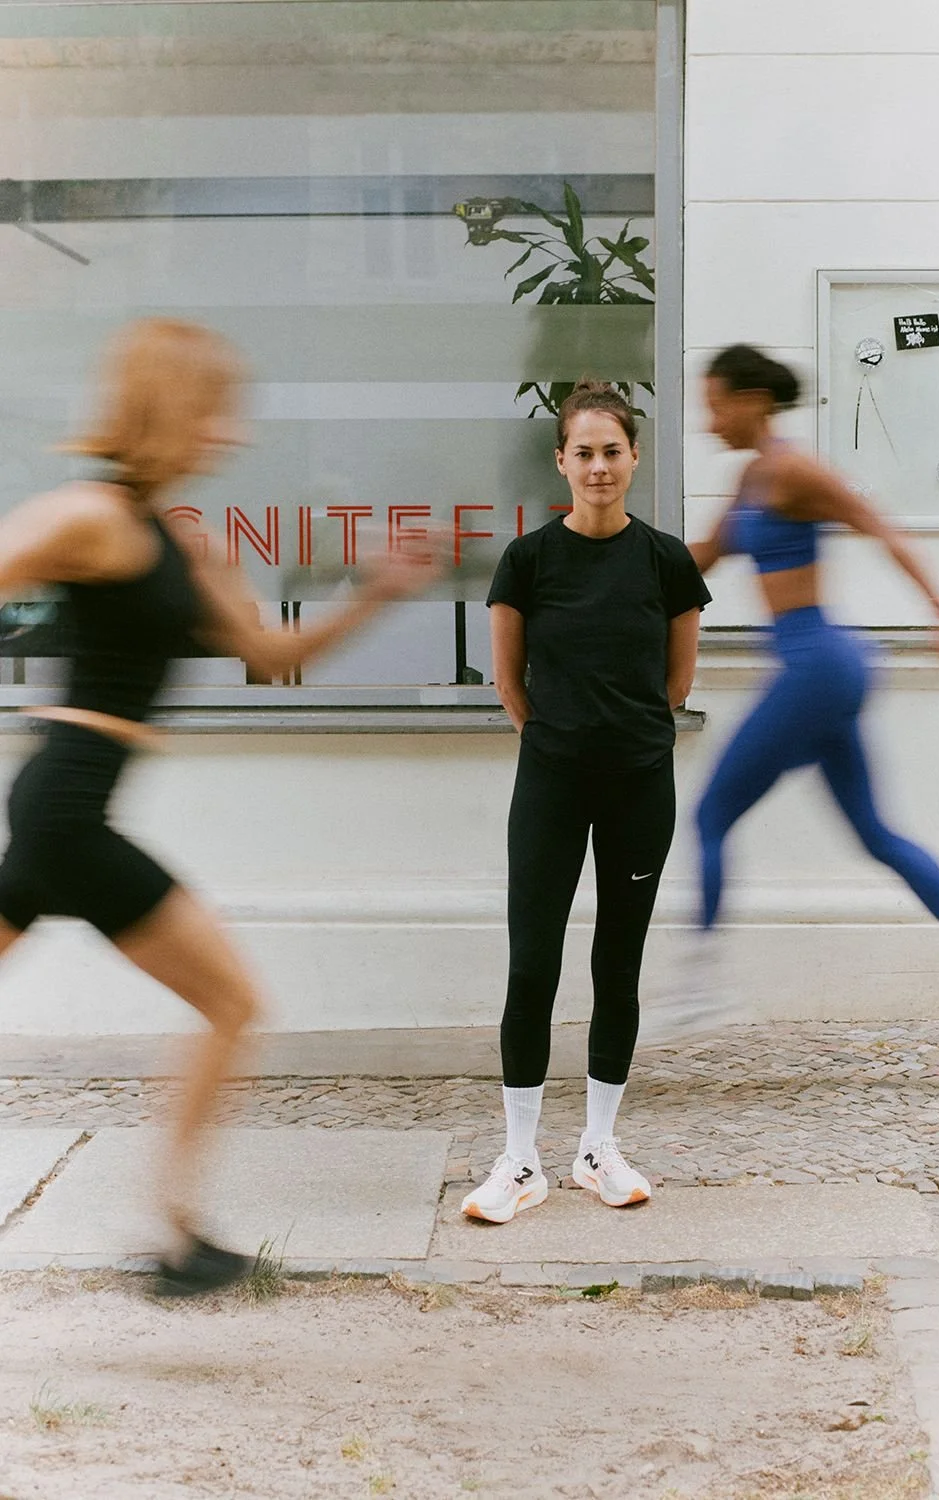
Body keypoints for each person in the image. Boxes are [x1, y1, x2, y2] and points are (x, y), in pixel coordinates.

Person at [0, 318, 438, 1294]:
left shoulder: (181, 546)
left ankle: (177, 1229)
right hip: (67, 809)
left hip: (61, 808)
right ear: (169, 407)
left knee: (230, 1004)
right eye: (215, 411)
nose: (229, 435)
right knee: (233, 1002)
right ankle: (177, 1233)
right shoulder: (90, 515)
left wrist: (376, 593)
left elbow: (270, 659)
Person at [650, 344, 939, 1053]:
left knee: (710, 814)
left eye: (714, 405)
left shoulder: (796, 471)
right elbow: (694, 561)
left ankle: (698, 984)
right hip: (823, 669)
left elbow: (883, 528)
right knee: (874, 834)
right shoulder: (750, 482)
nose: (709, 423)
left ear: (752, 400)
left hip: (817, 665)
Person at [460, 380, 712, 1223]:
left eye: (613, 451)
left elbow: (677, 682)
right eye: (584, 452)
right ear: (560, 461)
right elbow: (508, 681)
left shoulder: (667, 561)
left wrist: (625, 737)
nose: (598, 466)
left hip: (641, 781)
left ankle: (598, 1148)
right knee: (532, 961)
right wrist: (562, 740)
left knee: (619, 959)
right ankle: (520, 1159)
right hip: (552, 782)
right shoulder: (527, 561)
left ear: (633, 458)